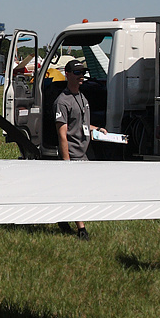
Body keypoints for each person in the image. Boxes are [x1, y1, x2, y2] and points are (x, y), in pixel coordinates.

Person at [55, 59, 104, 240]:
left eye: (82, 73)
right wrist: (66, 161)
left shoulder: (82, 98)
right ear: (67, 75)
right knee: (77, 191)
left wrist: (96, 129)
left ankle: (61, 217)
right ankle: (81, 229)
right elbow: (62, 134)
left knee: (78, 190)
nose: (81, 77)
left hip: (84, 152)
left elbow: (81, 124)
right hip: (73, 153)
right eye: (77, 73)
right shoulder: (63, 101)